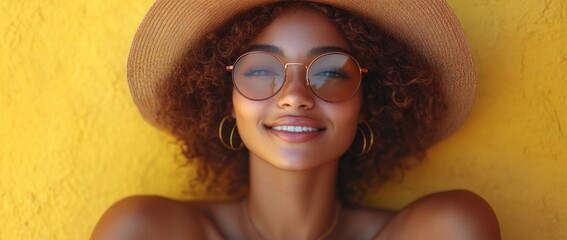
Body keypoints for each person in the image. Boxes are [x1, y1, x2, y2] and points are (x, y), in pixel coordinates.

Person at [92, 1, 500, 239]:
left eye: (331, 72)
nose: (294, 97)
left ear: (369, 101)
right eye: (259, 70)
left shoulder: (445, 230)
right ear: (225, 98)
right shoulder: (145, 232)